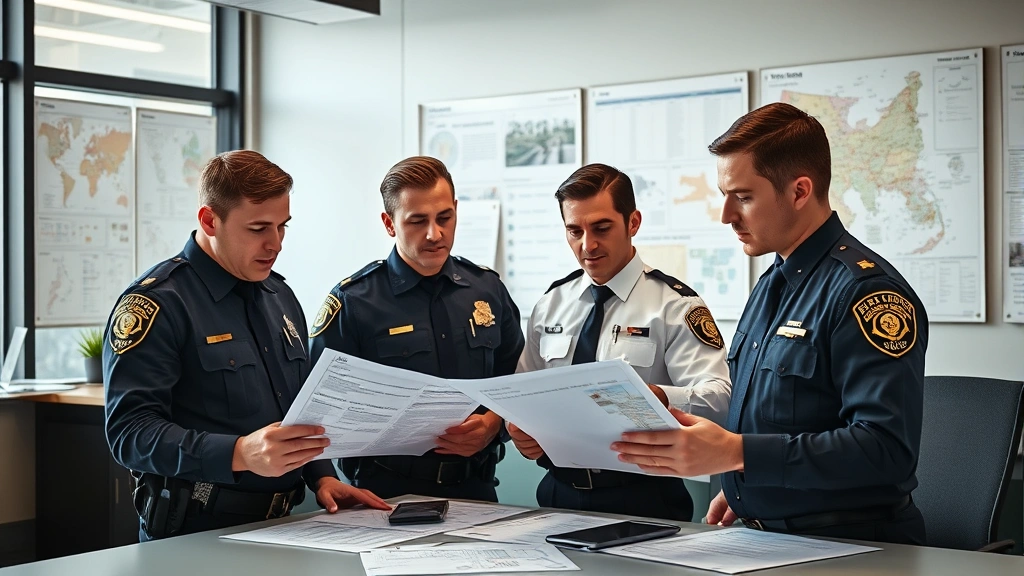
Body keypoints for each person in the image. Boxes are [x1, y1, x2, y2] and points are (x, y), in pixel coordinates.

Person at [612, 103, 928, 545]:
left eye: (743, 197)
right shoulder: (773, 283)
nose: (726, 215)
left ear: (799, 191)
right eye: (725, 195)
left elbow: (884, 449)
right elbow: (773, 413)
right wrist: (744, 487)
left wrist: (739, 454)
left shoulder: (865, 294)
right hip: (770, 539)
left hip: (852, 545)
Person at [104, 150, 389, 541]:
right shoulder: (159, 303)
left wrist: (322, 476)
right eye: (258, 228)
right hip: (195, 532)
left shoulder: (279, 295)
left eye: (282, 226)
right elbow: (130, 434)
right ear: (209, 221)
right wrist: (238, 453)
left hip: (284, 526)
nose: (276, 244)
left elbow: (295, 409)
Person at [508, 163, 732, 521]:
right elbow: (522, 395)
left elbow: (720, 398)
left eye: (601, 228)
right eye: (574, 231)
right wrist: (520, 431)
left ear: (633, 223)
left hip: (644, 496)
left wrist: (658, 398)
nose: (587, 245)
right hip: (557, 493)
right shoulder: (551, 304)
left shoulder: (675, 305)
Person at [309, 156, 525, 502]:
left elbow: (517, 382)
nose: (434, 234)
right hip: (386, 495)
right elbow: (316, 406)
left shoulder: (486, 290)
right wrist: (323, 479)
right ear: (389, 223)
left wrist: (494, 425)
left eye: (444, 218)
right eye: (417, 221)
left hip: (477, 490)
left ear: (456, 210)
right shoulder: (355, 302)